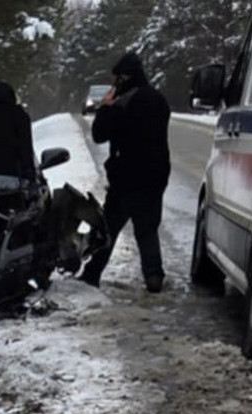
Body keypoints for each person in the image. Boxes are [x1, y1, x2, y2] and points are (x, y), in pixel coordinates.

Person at [78, 51, 171, 293]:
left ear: (123, 77)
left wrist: (105, 108)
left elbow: (99, 134)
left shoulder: (122, 102)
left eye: (115, 78)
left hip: (127, 176)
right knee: (147, 228)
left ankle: (91, 274)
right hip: (155, 175)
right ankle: (153, 275)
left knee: (109, 228)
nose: (113, 84)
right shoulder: (158, 99)